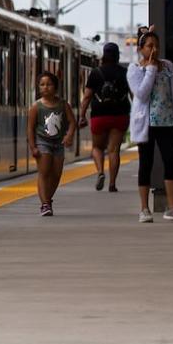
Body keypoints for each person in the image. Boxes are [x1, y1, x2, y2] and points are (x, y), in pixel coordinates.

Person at [128, 30, 173, 222]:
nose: (153, 49)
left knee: (170, 161)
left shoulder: (168, 66)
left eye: (156, 46)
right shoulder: (134, 69)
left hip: (167, 121)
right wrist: (151, 68)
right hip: (146, 124)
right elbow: (141, 93)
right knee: (145, 163)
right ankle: (144, 208)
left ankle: (172, 207)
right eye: (149, 46)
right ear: (141, 49)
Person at [77, 43, 131, 192]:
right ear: (117, 55)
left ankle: (100, 172)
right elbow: (133, 95)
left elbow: (87, 96)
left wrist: (82, 115)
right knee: (114, 150)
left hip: (99, 115)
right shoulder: (124, 72)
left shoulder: (95, 73)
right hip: (120, 115)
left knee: (97, 147)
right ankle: (112, 184)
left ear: (104, 55)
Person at [27, 71, 76, 216]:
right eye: (42, 84)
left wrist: (69, 135)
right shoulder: (36, 107)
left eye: (49, 84)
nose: (45, 87)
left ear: (55, 87)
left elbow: (72, 122)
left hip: (58, 143)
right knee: (44, 172)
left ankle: (48, 198)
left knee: (56, 174)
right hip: (43, 142)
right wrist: (33, 147)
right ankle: (45, 204)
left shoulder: (63, 104)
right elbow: (30, 128)